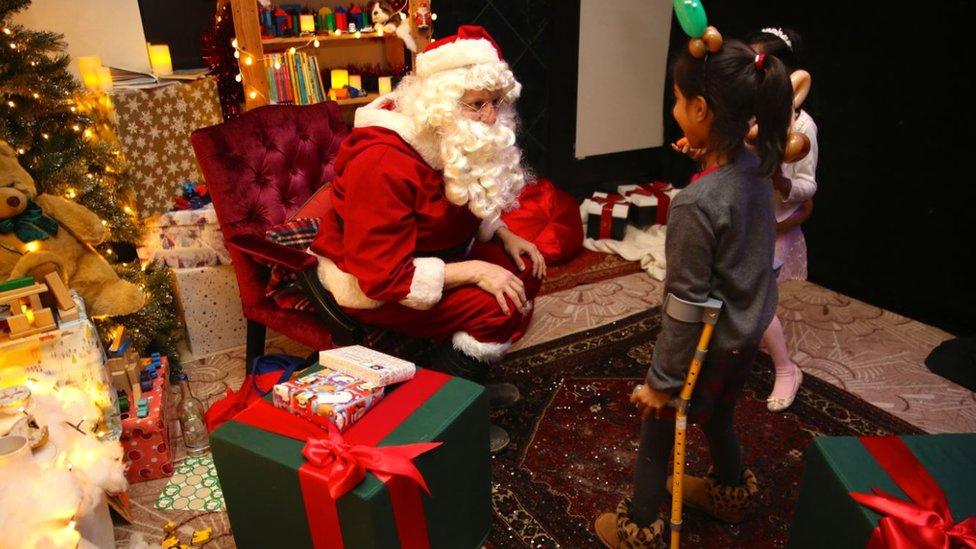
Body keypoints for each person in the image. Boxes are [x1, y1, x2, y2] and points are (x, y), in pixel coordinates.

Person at [307, 26, 546, 452]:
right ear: (439, 105)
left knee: (524, 271)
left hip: (435, 253)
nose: (491, 118)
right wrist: (476, 270)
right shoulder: (381, 162)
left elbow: (466, 194)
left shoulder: (453, 135)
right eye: (477, 105)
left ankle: (466, 381)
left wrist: (503, 234)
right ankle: (444, 412)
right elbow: (382, 277)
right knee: (496, 307)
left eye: (496, 103)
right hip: (376, 283)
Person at [594, 39, 794, 547]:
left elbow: (686, 306)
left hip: (705, 342)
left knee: (658, 428)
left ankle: (638, 524)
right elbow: (727, 195)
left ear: (701, 111)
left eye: (679, 100)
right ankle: (730, 491)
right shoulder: (756, 166)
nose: (674, 109)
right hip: (744, 336)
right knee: (720, 414)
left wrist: (662, 380)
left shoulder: (696, 205)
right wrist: (704, 150)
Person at [749, 27, 818, 412]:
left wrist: (782, 181)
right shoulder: (749, 115)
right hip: (746, 219)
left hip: (775, 225)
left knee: (758, 303)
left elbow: (808, 186)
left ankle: (786, 368)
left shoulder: (802, 128)